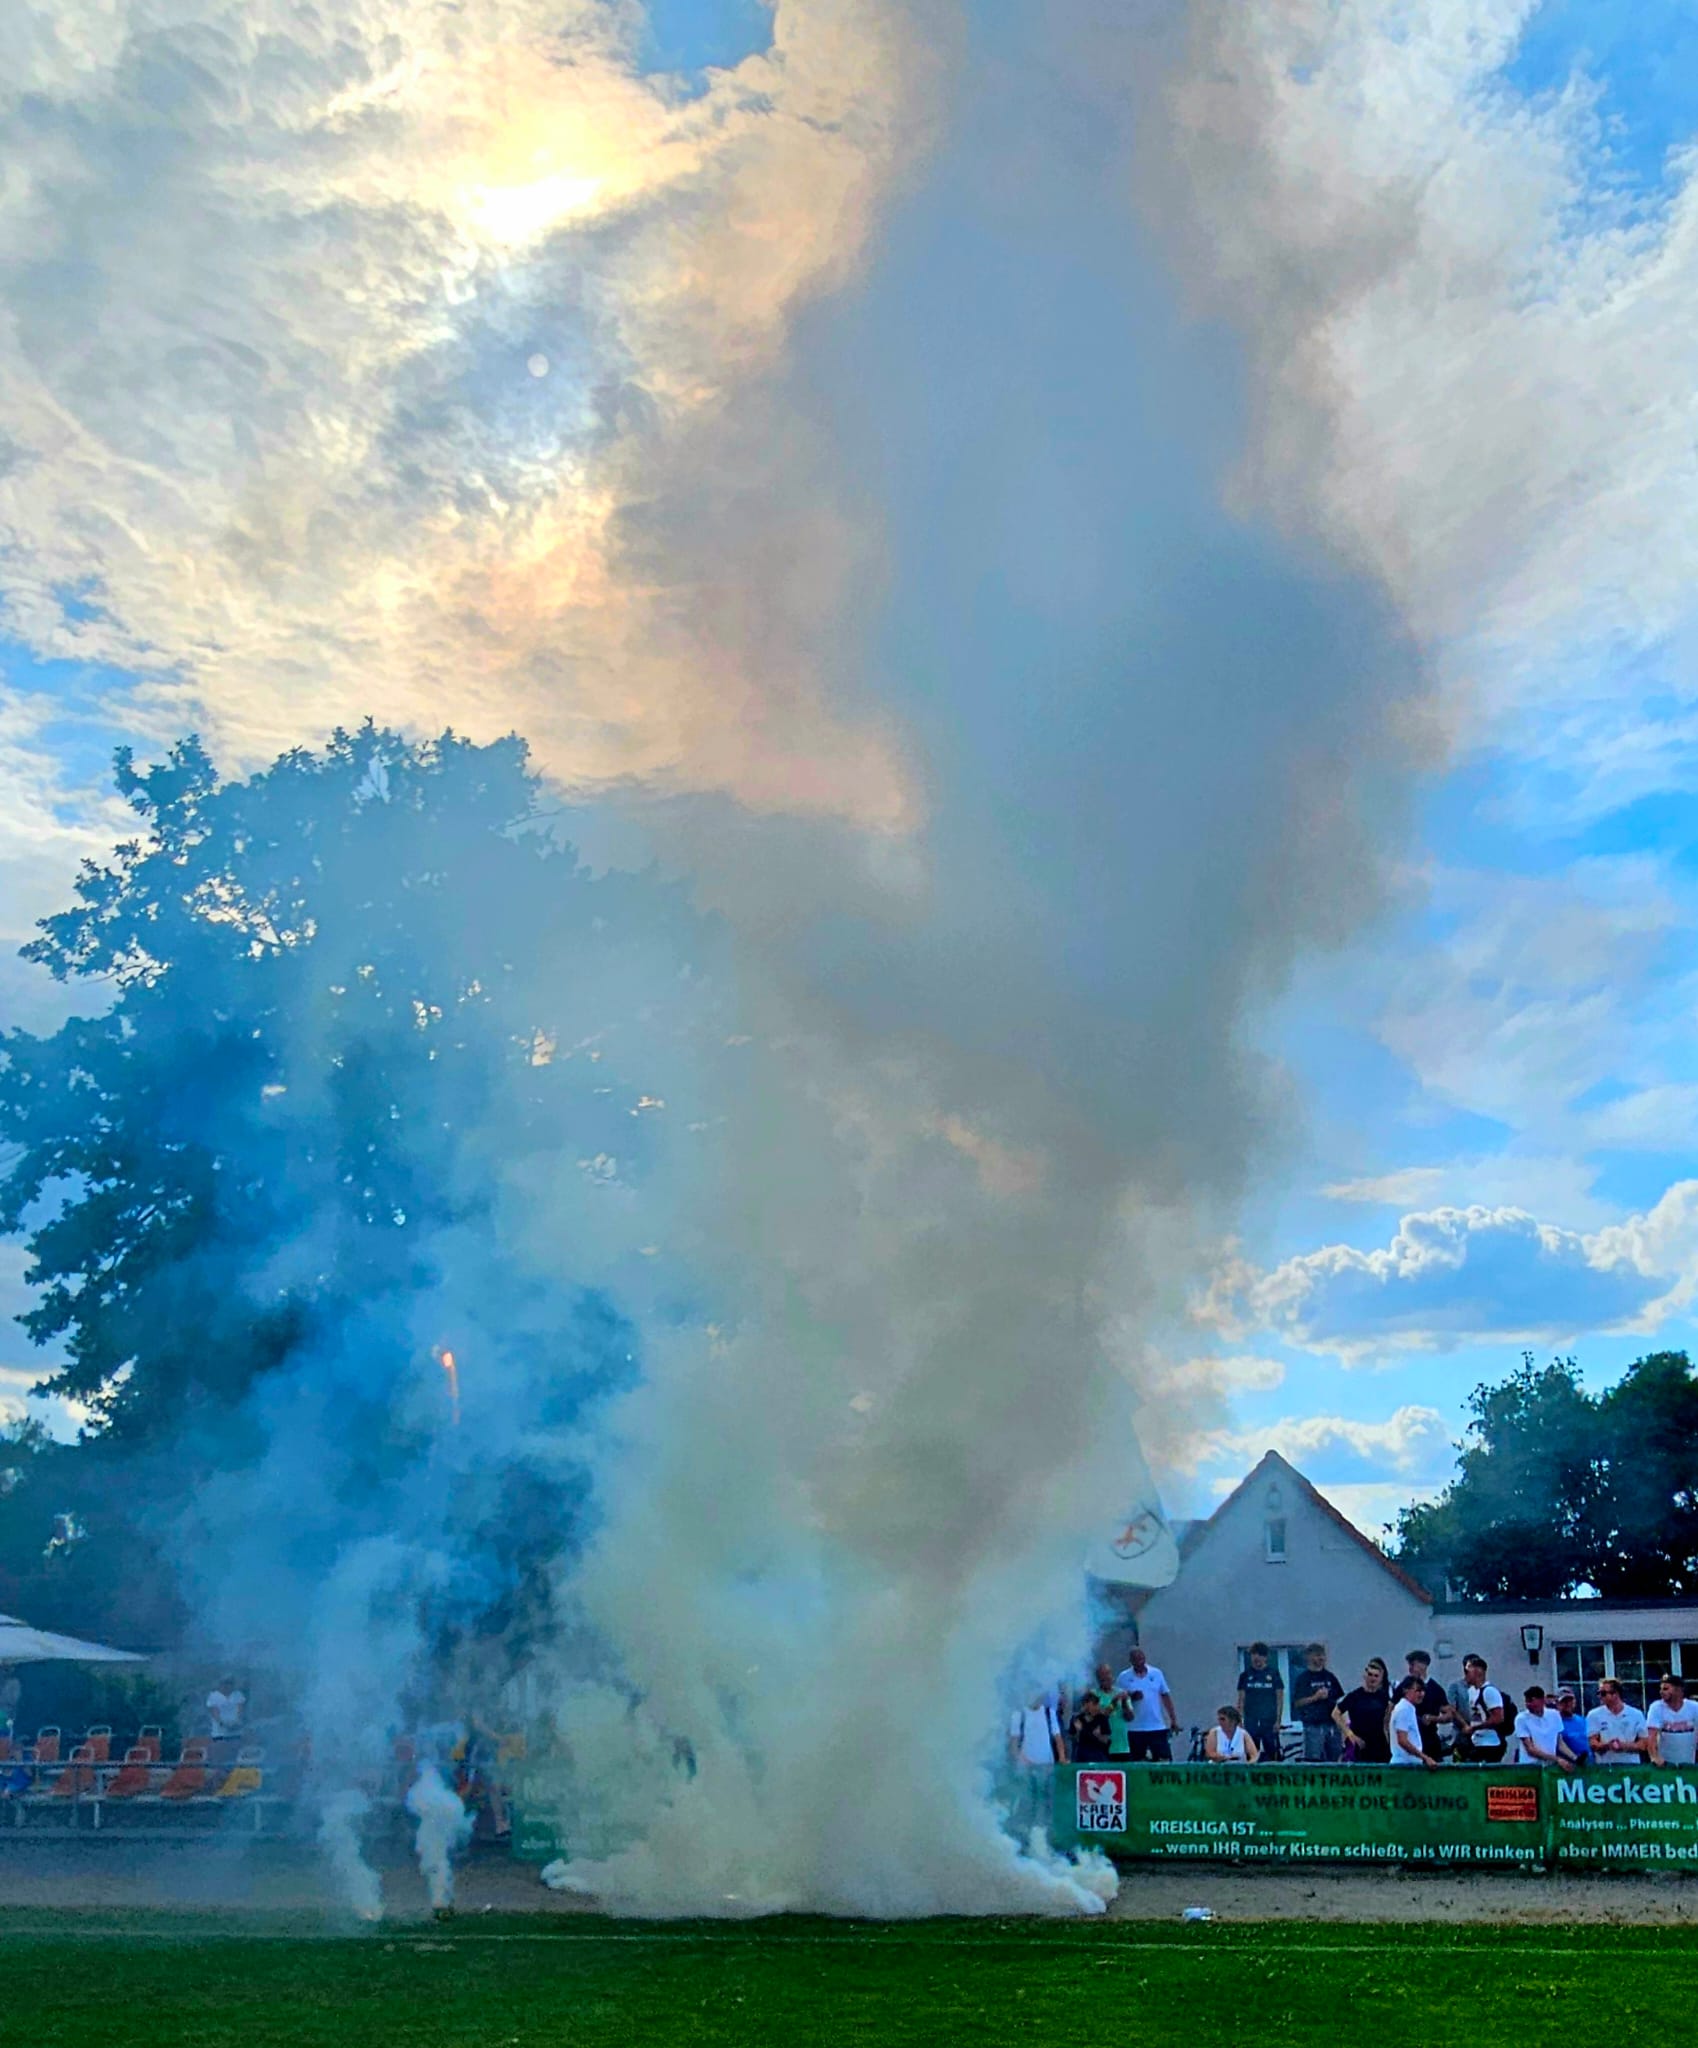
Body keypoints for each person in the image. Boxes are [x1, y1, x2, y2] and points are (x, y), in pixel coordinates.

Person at [1007, 1692, 1065, 1833]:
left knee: (1047, 1802)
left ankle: (1046, 1832)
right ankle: (1024, 1832)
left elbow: (1058, 1738)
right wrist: (1024, 1761)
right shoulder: (1019, 1714)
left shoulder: (1049, 1713)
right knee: (1027, 1802)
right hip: (1026, 1770)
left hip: (1047, 1768)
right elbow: (1013, 1745)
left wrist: (1062, 1757)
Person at [1113, 1646, 1178, 1763]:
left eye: (1141, 1659)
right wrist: (1132, 1696)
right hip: (1134, 1728)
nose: (1139, 1663)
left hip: (1156, 1726)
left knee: (1163, 1759)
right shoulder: (1124, 1677)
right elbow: (1117, 1698)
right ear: (1131, 1661)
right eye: (1136, 1660)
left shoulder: (1156, 1673)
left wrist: (1173, 1719)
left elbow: (1165, 1696)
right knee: (1137, 1761)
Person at [1291, 1643, 1345, 1764]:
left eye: (1322, 1655)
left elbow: (1340, 1700)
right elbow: (1297, 1703)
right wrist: (1315, 1697)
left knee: (1335, 1759)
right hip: (1313, 1726)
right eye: (1317, 1655)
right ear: (1309, 1657)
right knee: (1314, 1760)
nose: (1321, 1658)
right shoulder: (1303, 1679)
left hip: (1332, 1725)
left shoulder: (1330, 1677)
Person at [1334, 1658, 1392, 1763]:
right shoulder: (1355, 1696)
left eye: (1376, 1676)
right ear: (1365, 1676)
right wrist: (1349, 1734)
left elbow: (1388, 1720)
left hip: (1380, 1745)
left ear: (1380, 1679)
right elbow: (1335, 1714)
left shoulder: (1384, 1697)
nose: (1372, 1678)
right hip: (1360, 1745)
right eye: (1370, 1675)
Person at [1236, 1643, 1284, 1764]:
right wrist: (1240, 1721)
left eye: (1259, 1655)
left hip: (1269, 1720)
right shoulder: (1245, 1675)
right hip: (1251, 1719)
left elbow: (1279, 1698)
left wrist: (1278, 1720)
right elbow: (1241, 1699)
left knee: (1272, 1753)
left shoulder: (1273, 1674)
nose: (1256, 1658)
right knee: (1252, 1753)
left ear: (1265, 1657)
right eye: (1253, 1654)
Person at [1587, 1676, 1649, 1764]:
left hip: (1631, 1765)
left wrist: (1624, 1746)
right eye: (1599, 1693)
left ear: (1615, 1694)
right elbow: (1592, 1742)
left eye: (1603, 1693)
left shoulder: (1636, 1714)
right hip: (1605, 1765)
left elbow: (1644, 1744)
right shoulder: (1594, 1715)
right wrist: (1608, 1745)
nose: (1600, 1696)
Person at [1402, 1651, 1452, 1760]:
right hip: (1408, 1740)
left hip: (1429, 1741)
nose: (1410, 1669)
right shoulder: (1404, 1686)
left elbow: (1449, 1715)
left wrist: (1432, 1718)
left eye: (1413, 1665)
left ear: (1423, 1665)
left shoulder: (1435, 1689)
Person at [1462, 1655, 1506, 1764]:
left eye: (1467, 1671)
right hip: (1476, 1741)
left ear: (1478, 1671)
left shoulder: (1489, 1691)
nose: (1465, 1675)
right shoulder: (1472, 1691)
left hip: (1490, 1743)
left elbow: (1498, 1718)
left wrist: (1474, 1727)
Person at [1512, 1685, 1570, 1767]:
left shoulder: (1555, 1715)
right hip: (1530, 1766)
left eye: (1531, 1701)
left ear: (1542, 1700)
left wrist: (1575, 1758)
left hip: (1549, 1766)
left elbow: (1560, 1743)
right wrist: (1557, 1759)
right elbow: (1530, 1749)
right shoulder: (1521, 1718)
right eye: (1527, 1701)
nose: (1528, 1704)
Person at [1647, 1673, 1696, 1768]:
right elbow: (1651, 1737)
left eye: (1665, 1689)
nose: (1661, 1692)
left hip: (1689, 1764)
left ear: (1678, 1690)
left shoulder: (1694, 1707)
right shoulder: (1656, 1707)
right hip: (1665, 1765)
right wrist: (1655, 1757)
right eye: (1661, 1689)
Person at [1389, 1674, 1437, 1770]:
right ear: (1406, 1690)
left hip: (1409, 1765)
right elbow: (1402, 1740)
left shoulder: (1408, 1709)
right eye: (1418, 1690)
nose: (1422, 1694)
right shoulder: (1403, 1709)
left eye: (1423, 1691)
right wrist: (1425, 1758)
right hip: (1403, 1766)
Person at [1068, 1689, 1113, 1764]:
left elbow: (1106, 1740)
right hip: (1081, 1754)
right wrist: (1078, 1733)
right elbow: (1072, 1737)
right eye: (1085, 1705)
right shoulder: (1077, 1719)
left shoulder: (1102, 1718)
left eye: (1096, 1704)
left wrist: (1097, 1735)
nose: (1098, 1707)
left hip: (1098, 1754)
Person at [1555, 1686, 1589, 1768]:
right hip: (1568, 1767)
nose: (1568, 1704)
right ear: (1557, 1703)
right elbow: (1558, 1745)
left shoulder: (1583, 1720)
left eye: (1570, 1700)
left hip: (1589, 1766)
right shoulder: (1555, 1722)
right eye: (1564, 1701)